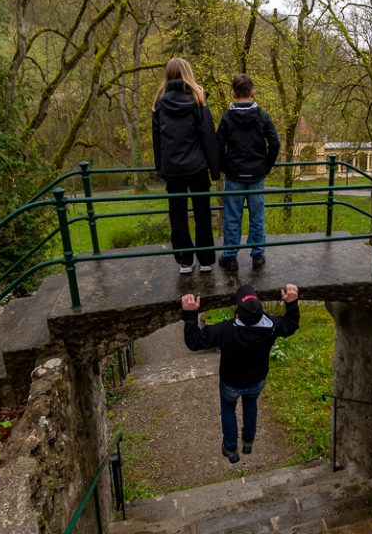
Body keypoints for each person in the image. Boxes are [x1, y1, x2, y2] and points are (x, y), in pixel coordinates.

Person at [181, 283, 300, 463]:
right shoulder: (272, 326)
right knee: (250, 404)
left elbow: (194, 342)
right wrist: (291, 303)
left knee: (228, 410)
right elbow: (290, 325)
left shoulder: (225, 330)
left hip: (231, 382)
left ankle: (230, 448)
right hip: (256, 380)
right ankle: (248, 441)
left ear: (238, 313)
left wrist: (190, 315)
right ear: (261, 312)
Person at [152, 58, 220, 274]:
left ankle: (185, 261)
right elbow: (208, 136)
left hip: (173, 169)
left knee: (177, 215)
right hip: (197, 166)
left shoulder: (159, 102)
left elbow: (157, 139)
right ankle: (206, 259)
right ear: (188, 73)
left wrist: (160, 168)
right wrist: (214, 169)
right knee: (202, 213)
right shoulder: (198, 99)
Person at [216, 74, 280, 272]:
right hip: (256, 176)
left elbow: (218, 147)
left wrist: (226, 167)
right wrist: (265, 167)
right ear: (253, 92)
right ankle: (258, 255)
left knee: (232, 217)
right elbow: (275, 144)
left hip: (234, 176)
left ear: (233, 93)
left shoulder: (227, 118)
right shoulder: (263, 116)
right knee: (257, 216)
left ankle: (230, 257)